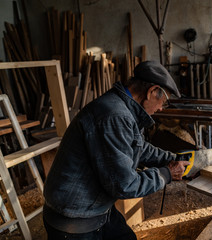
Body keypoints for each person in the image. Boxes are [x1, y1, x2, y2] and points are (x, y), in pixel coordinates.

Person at [43, 61, 190, 240]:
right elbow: (124, 185)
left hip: (95, 208)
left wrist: (172, 158)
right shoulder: (114, 116)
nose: (160, 108)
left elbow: (138, 147)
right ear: (152, 91)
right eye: (163, 102)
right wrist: (166, 174)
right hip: (75, 217)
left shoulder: (122, 107)